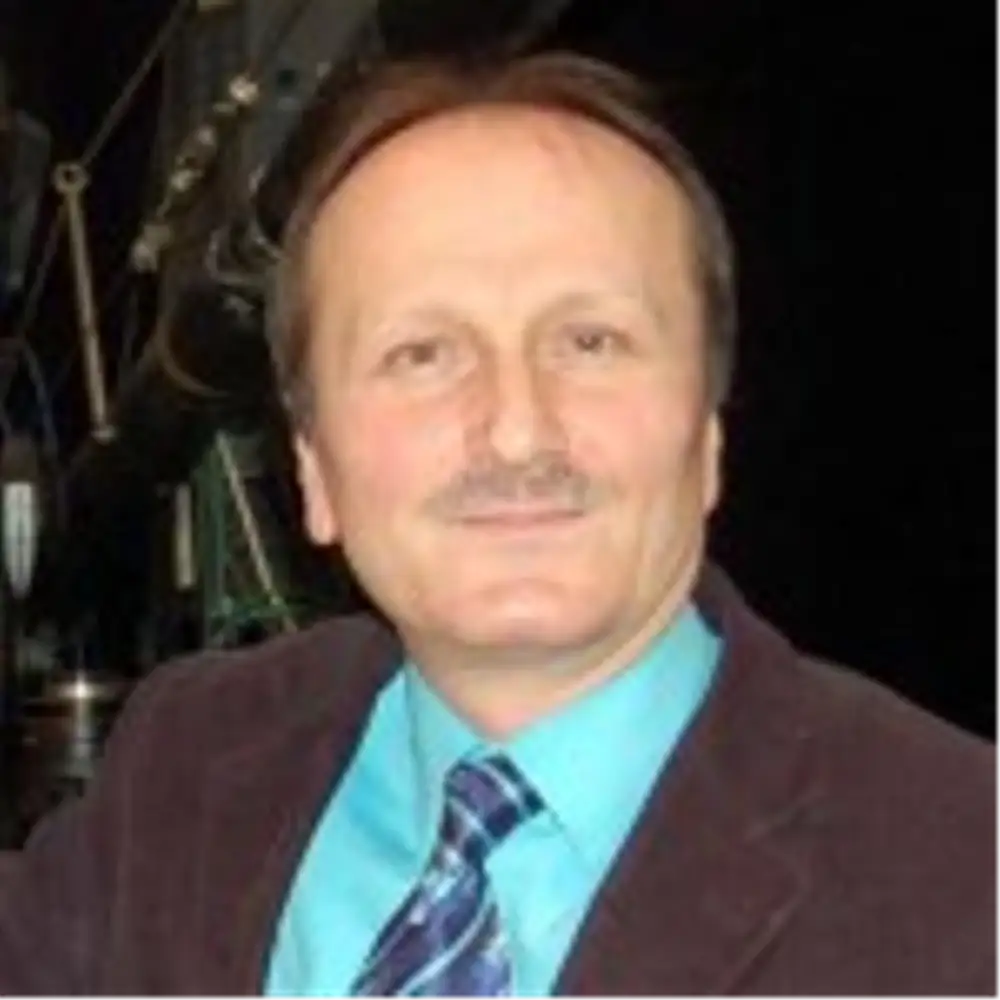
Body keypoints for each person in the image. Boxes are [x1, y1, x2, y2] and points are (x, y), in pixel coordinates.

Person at [1, 50, 997, 1000]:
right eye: (422, 354)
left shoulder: (961, 871)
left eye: (591, 341)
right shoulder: (186, 767)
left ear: (706, 430)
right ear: (312, 468)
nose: (518, 430)